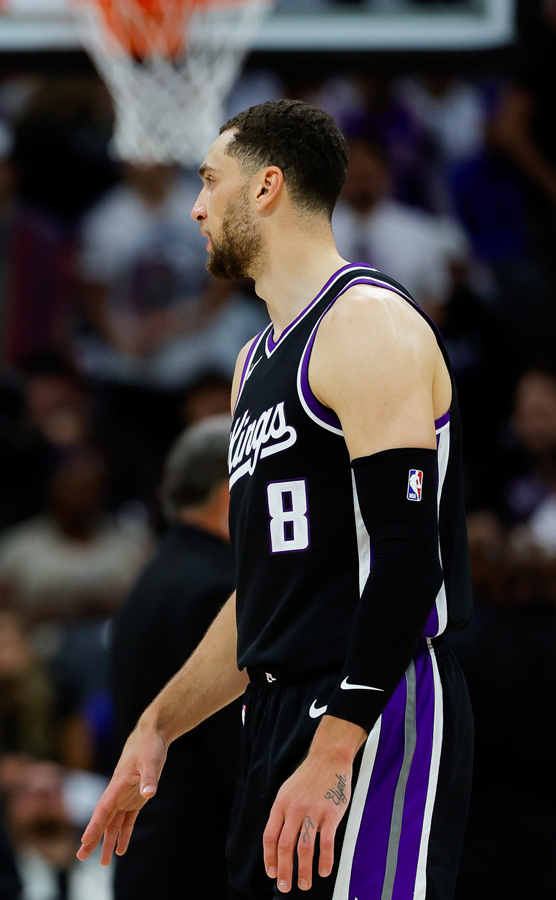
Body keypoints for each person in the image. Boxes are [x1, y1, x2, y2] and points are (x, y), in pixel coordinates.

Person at [78, 99, 473, 900]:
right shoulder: (254, 361)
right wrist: (157, 728)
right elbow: (259, 596)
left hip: (372, 703)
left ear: (265, 188)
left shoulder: (367, 323)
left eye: (209, 182)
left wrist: (335, 746)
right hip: (277, 707)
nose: (195, 206)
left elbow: (405, 555)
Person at [107, 416, 237, 900]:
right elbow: (230, 745)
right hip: (193, 855)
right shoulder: (214, 590)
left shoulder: (156, 573)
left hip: (151, 847)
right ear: (232, 491)